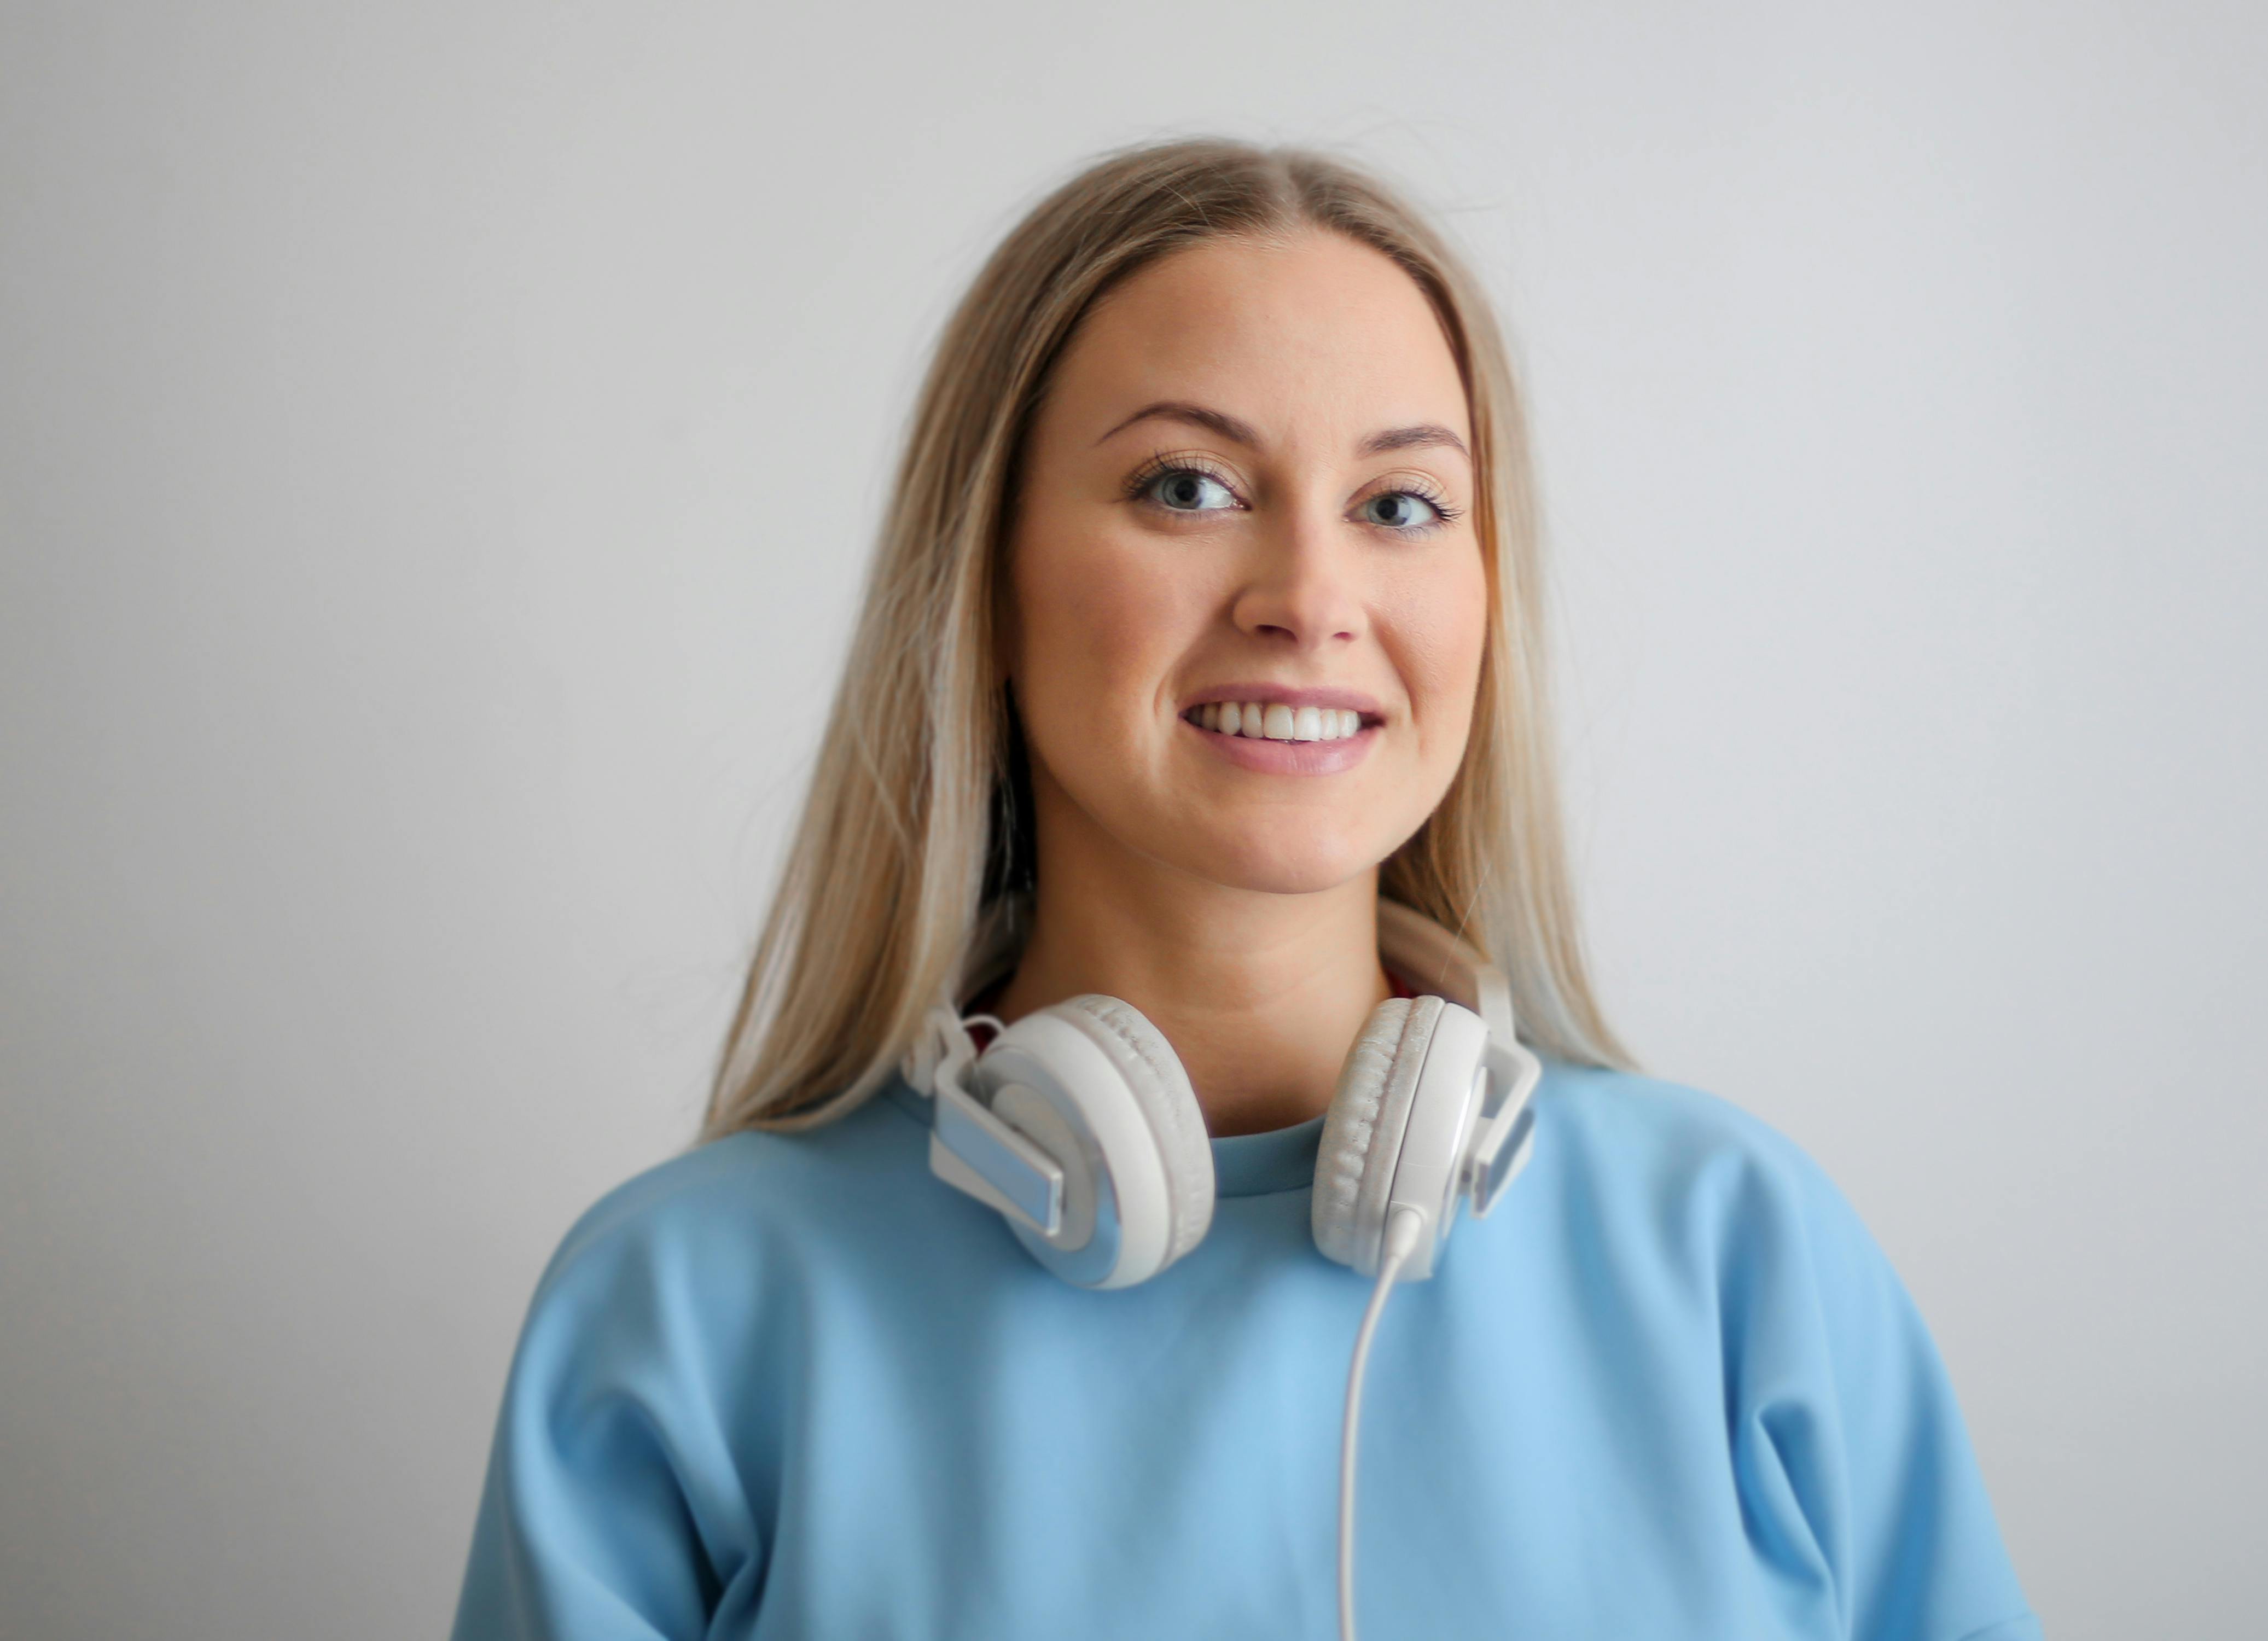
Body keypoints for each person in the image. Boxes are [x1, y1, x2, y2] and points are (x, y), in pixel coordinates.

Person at [448, 138, 2041, 1641]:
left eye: (1399, 505)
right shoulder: (686, 1310)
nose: (1308, 599)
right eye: (1187, 487)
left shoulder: (1734, 1252)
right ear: (982, 585)